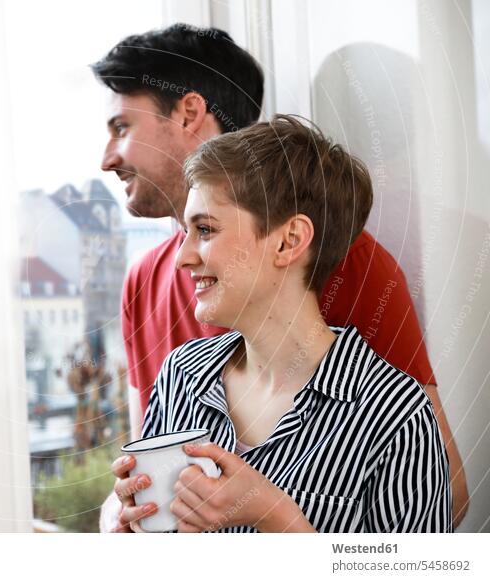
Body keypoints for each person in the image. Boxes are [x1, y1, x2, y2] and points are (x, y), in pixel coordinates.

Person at [91, 24, 467, 531]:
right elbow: (145, 476)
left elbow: (436, 504)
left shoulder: (355, 275)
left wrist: (277, 519)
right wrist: (122, 514)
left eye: (121, 127)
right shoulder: (164, 332)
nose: (106, 158)